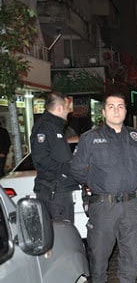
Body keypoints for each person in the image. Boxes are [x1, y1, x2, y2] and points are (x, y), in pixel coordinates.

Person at [70, 93, 137, 283]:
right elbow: (77, 169)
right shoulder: (90, 138)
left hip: (130, 206)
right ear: (104, 112)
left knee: (130, 253)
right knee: (99, 255)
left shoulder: (136, 137)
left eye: (121, 106)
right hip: (103, 207)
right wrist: (96, 184)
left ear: (126, 111)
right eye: (111, 107)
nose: (116, 110)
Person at [31, 92, 78, 222]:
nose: (69, 111)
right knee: (60, 235)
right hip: (54, 192)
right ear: (59, 108)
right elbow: (42, 159)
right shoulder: (45, 127)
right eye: (67, 107)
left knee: (64, 234)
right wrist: (64, 171)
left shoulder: (54, 127)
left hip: (60, 191)